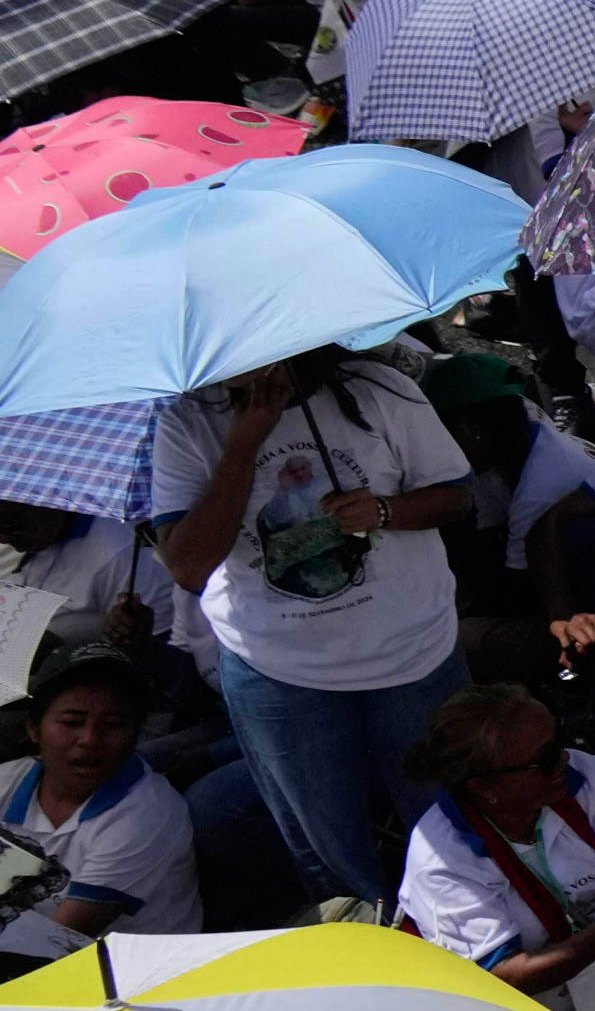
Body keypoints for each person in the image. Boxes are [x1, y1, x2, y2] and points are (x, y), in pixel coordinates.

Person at [148, 344, 468, 913]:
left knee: (451, 819)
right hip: (278, 673)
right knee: (328, 852)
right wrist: (244, 443)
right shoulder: (186, 421)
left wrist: (384, 512)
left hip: (412, 652)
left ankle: (475, 938)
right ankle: (376, 956)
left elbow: (456, 498)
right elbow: (189, 564)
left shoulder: (377, 389)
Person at [399, 683, 595, 1011]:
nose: (565, 759)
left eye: (559, 740)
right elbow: (507, 976)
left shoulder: (585, 777)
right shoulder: (443, 861)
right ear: (485, 787)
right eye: (546, 757)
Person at [0, 656, 201, 959]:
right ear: (34, 729)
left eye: (113, 725)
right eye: (72, 722)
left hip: (129, 975)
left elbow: (54, 947)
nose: (90, 739)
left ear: (135, 735)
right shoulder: (7, 782)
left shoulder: (147, 816)